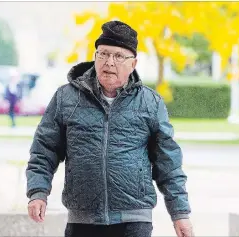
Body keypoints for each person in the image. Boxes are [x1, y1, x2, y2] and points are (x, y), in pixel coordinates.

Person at [26, 20, 193, 237]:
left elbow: (168, 163)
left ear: (133, 64)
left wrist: (180, 213)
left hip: (134, 220)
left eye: (118, 56)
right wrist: (38, 192)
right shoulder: (66, 98)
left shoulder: (150, 103)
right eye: (103, 54)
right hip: (83, 219)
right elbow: (43, 150)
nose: (109, 62)